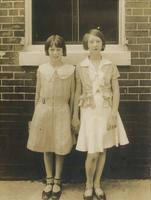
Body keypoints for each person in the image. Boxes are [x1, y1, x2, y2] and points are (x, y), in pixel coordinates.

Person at [72, 29, 129, 200]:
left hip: (105, 110)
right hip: (89, 111)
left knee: (102, 148)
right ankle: (88, 184)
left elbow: (116, 91)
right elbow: (77, 92)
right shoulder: (81, 66)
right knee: (92, 152)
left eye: (98, 41)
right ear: (86, 45)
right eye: (91, 42)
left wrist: (113, 113)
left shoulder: (110, 65)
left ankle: (97, 184)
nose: (95, 45)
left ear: (102, 44)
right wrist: (75, 115)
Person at [27, 34, 75, 200]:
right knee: (47, 145)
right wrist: (35, 115)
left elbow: (74, 95)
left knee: (60, 145)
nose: (55, 53)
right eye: (52, 49)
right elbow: (37, 93)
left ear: (63, 51)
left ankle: (57, 180)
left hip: (62, 110)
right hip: (44, 110)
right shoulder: (42, 69)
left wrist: (74, 116)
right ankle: (48, 179)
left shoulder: (70, 70)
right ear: (47, 50)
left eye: (58, 49)